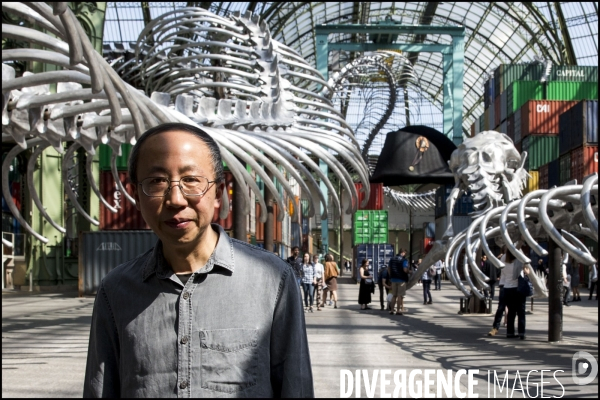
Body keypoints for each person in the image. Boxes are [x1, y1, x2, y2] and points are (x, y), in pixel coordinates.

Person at [83, 123, 313, 397]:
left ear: (219, 193)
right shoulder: (116, 292)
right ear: (136, 196)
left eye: (191, 180)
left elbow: (295, 388)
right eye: (157, 181)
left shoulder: (273, 281)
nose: (176, 200)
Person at [501, 251, 530, 340]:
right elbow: (527, 271)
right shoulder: (519, 258)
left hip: (507, 288)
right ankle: (522, 333)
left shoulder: (503, 258)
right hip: (518, 288)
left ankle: (510, 332)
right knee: (521, 312)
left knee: (511, 312)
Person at [388, 249, 409, 315]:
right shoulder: (404, 260)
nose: (405, 255)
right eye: (405, 253)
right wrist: (409, 271)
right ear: (402, 253)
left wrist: (391, 275)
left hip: (393, 279)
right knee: (399, 296)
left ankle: (391, 310)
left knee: (394, 295)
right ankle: (398, 310)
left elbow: (388, 268)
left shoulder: (392, 259)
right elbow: (405, 270)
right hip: (401, 280)